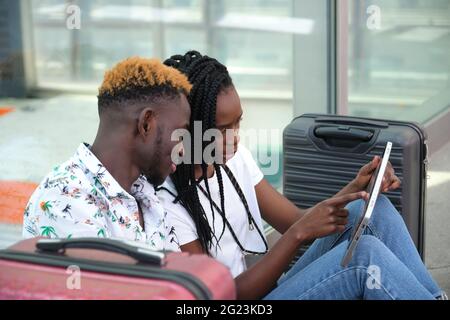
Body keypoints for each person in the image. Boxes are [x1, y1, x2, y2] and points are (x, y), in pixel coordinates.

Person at [157, 50, 445, 299]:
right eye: (222, 129)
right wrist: (297, 234)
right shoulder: (169, 204)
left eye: (238, 123)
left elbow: (294, 220)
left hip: (269, 289)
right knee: (363, 258)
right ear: (189, 126)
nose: (235, 137)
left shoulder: (234, 159)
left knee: (373, 209)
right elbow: (222, 296)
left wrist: (355, 188)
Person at [23, 57, 191, 251]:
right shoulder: (63, 198)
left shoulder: (145, 193)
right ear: (146, 124)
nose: (183, 149)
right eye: (180, 134)